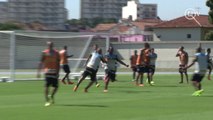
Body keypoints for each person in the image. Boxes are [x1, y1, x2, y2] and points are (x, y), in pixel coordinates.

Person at [37, 41, 60, 107]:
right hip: (47, 72)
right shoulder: (44, 53)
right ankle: (47, 101)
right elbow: (40, 62)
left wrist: (58, 72)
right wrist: (38, 72)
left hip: (54, 72)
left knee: (56, 87)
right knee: (46, 86)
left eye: (51, 45)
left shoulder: (56, 53)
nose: (50, 46)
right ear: (47, 46)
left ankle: (52, 95)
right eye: (49, 45)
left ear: (53, 45)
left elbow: (58, 63)